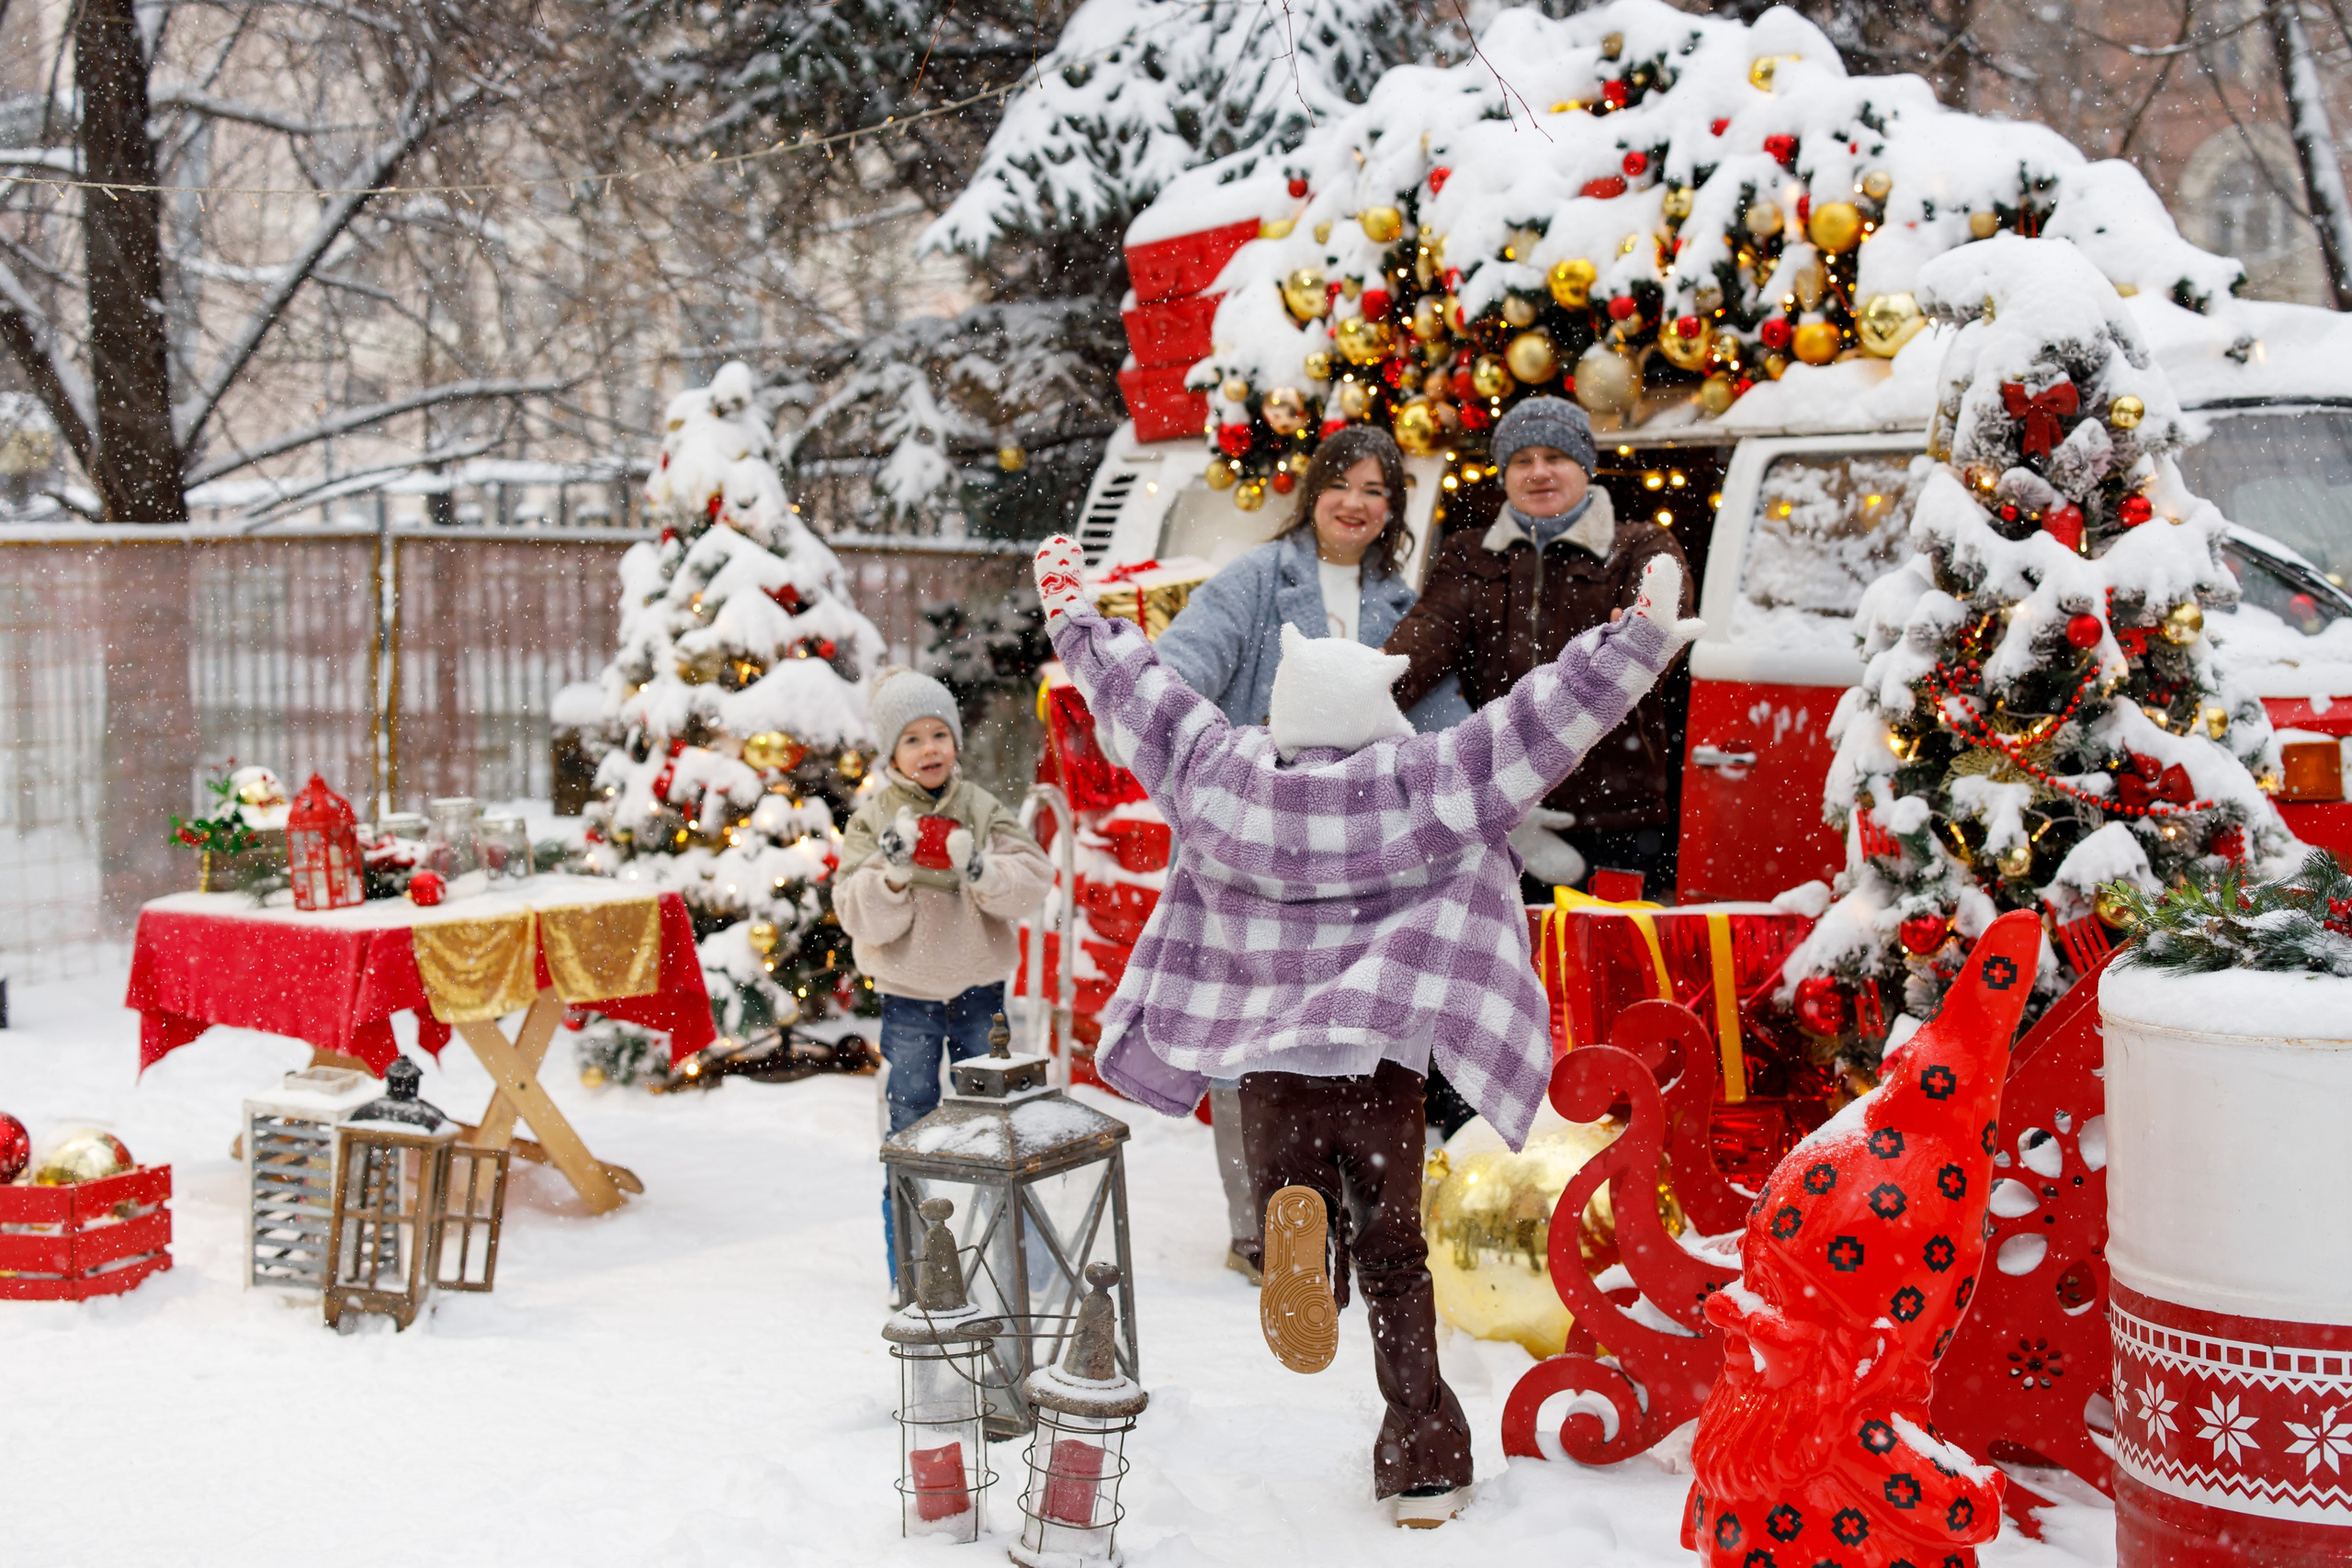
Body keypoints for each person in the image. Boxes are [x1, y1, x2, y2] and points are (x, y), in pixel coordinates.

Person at [1030, 530, 1702, 1529]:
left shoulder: (1228, 777)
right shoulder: (1423, 783)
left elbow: (1149, 705)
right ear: (1377, 710)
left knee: (1294, 1196)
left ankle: (1295, 1227)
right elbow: (1537, 724)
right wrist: (1632, 642)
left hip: (1268, 1067)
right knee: (1398, 1252)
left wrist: (1078, 621)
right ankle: (1422, 1457)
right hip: (1378, 1060)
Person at [1153, 425, 1457, 1283]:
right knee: (1249, 1034)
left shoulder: (1400, 604)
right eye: (1342, 484)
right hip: (1256, 852)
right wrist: (1234, 759)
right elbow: (1177, 672)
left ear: (1393, 509)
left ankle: (1338, 1215)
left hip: (1360, 860)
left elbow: (1441, 717)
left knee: (1349, 1033)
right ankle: (1259, 1228)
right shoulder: (1256, 580)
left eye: (1376, 490)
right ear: (1313, 491)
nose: (1355, 503)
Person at [1385, 396, 1694, 898]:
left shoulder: (1641, 546)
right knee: (1504, 946)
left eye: (1555, 457)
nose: (1538, 472)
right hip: (1500, 811)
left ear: (1585, 466)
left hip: (1612, 816)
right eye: (1522, 460)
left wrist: (1639, 636)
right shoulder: (1468, 554)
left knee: (1607, 946)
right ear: (1504, 474)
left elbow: (1656, 632)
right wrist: (1371, 683)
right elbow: (1427, 633)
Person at [834, 665, 1053, 1289]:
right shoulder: (872, 820)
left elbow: (1033, 878)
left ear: (956, 740)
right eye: (912, 738)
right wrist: (893, 874)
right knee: (910, 1124)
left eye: (939, 734)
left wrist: (980, 869)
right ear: (890, 752)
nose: (929, 748)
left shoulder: (980, 808)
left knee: (998, 1122)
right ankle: (914, 1271)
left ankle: (1018, 1266)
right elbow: (854, 911)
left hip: (980, 992)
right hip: (908, 998)